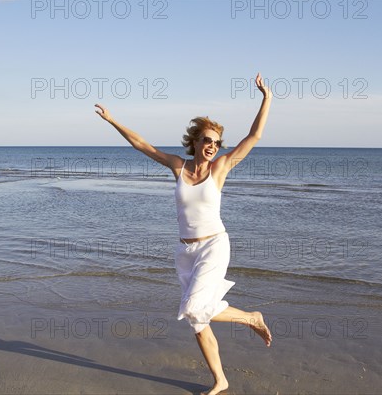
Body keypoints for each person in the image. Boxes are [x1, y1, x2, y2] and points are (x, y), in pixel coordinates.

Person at [95, 73, 273, 395]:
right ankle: (221, 380)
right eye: (207, 140)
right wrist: (112, 121)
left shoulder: (220, 168)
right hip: (185, 253)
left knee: (193, 306)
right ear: (194, 141)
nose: (212, 146)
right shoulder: (178, 167)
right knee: (198, 321)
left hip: (214, 246)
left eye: (217, 142)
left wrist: (266, 98)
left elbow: (255, 136)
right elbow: (142, 145)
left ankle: (251, 317)